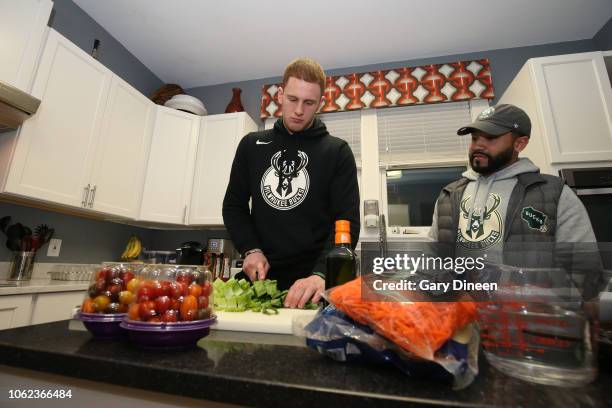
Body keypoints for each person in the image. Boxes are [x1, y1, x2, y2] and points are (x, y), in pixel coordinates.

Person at [222, 58, 360, 308]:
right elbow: (234, 206)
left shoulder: (337, 152)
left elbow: (347, 221)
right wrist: (250, 250)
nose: (298, 110)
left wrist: (320, 275)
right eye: (293, 99)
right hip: (258, 284)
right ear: (280, 94)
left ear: (320, 103)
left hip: (313, 287)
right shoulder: (251, 145)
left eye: (308, 103)